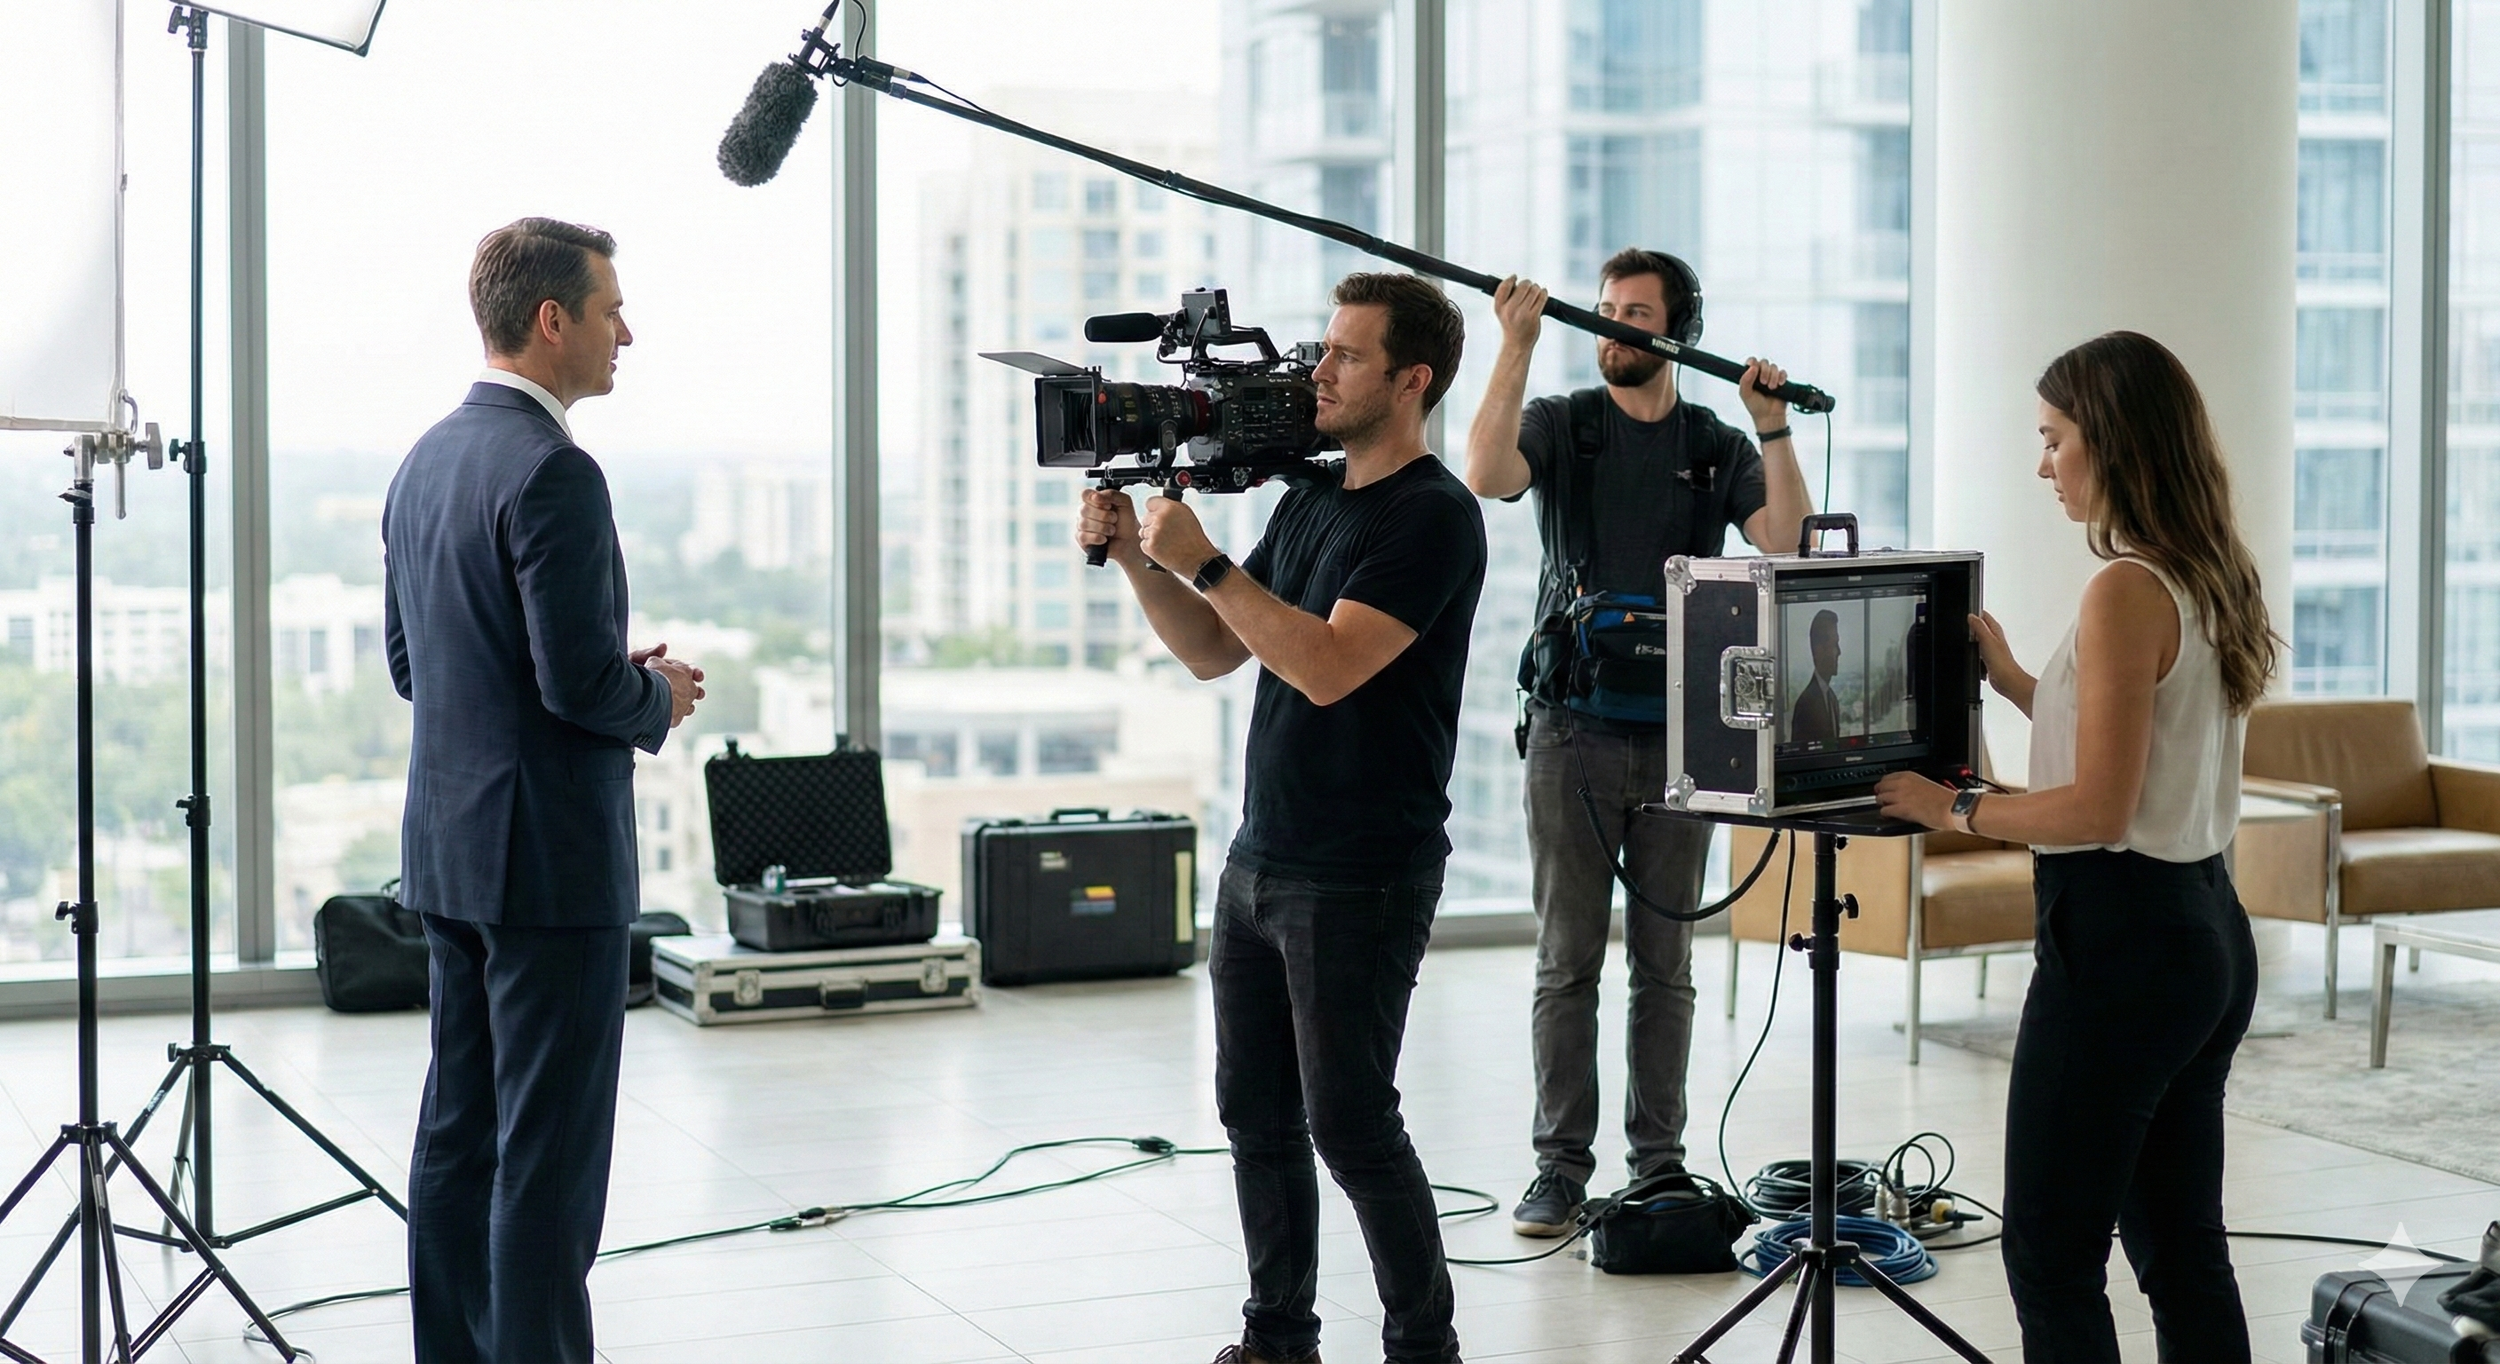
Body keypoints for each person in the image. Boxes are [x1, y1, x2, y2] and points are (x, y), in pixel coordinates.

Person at [1077, 272, 1482, 1364]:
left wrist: (1202, 557)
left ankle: (1422, 1346)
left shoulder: (1434, 516)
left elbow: (1329, 666)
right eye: (1322, 350)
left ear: (1411, 380)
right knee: (1254, 1115)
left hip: (1362, 868)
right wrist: (1137, 559)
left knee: (1350, 1121)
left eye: (1346, 357)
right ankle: (1277, 1338)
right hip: (1262, 855)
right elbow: (1217, 647)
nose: (1318, 371)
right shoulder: (1310, 499)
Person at [1876, 330, 2277, 1362]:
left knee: (2049, 1257)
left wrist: (1944, 805)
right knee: (2181, 1248)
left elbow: (2096, 811)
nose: (2042, 462)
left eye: (2054, 438)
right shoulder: (2202, 570)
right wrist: (2013, 677)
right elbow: (2130, 744)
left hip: (2121, 943)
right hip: (2203, 931)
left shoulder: (2123, 588)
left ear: (2113, 440)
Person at [384, 218, 703, 1364]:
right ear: (551, 319)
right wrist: (655, 695)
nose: (629, 330)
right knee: (550, 1161)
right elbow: (573, 687)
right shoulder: (556, 469)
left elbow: (418, 666)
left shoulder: (425, 458)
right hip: (550, 867)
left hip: (452, 857)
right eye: (612, 308)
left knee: (458, 1133)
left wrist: (607, 679)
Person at [1461, 249, 1812, 1236]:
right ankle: (1558, 1170)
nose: (1613, 329)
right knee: (1566, 958)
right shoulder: (1564, 423)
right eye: (1605, 313)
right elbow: (1486, 473)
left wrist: (1770, 425)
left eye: (1636, 315)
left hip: (1685, 739)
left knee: (1665, 965)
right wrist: (1515, 347)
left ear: (1677, 334)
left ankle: (1658, 1163)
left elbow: (1783, 539)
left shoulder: (1709, 440)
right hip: (1570, 729)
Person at [1790, 609, 1843, 745]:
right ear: (1819, 650)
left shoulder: (1833, 700)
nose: (1839, 652)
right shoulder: (1805, 705)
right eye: (1835, 644)